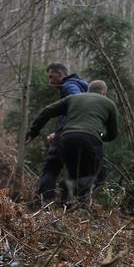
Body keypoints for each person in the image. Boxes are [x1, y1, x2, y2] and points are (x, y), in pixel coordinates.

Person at [27, 80, 119, 201]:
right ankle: (80, 208)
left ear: (88, 90)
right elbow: (113, 134)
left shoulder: (73, 98)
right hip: (91, 140)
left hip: (67, 139)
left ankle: (66, 203)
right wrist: (100, 136)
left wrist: (33, 132)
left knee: (73, 173)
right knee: (89, 176)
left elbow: (47, 110)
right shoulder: (109, 103)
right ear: (104, 93)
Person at [37, 63, 89, 201]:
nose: (50, 81)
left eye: (51, 77)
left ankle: (44, 205)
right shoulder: (83, 85)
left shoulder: (69, 86)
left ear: (60, 74)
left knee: (50, 168)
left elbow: (76, 105)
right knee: (74, 171)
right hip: (83, 135)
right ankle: (69, 205)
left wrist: (59, 133)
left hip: (67, 135)